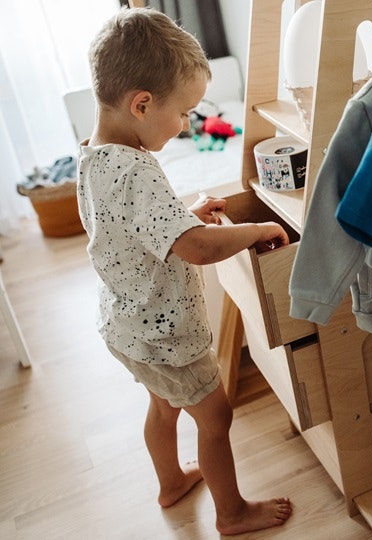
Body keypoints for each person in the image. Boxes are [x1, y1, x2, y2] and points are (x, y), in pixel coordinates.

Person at [77, 7, 292, 536]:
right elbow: (195, 249)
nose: (188, 124)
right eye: (184, 113)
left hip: (126, 326)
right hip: (167, 333)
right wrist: (253, 232)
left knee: (164, 406)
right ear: (142, 104)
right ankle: (232, 513)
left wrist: (181, 217)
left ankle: (171, 481)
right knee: (214, 417)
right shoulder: (137, 170)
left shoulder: (93, 156)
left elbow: (127, 227)